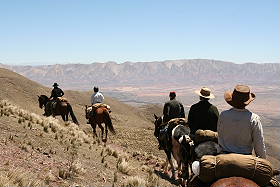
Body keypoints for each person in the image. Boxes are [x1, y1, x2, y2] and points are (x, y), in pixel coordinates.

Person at [218, 85, 266, 158]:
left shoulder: (223, 115)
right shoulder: (254, 119)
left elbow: (220, 135)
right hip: (245, 158)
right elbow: (259, 143)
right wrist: (263, 161)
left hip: (224, 156)